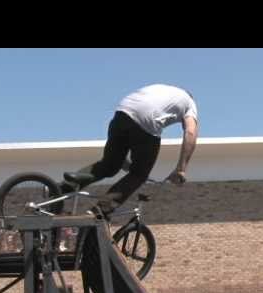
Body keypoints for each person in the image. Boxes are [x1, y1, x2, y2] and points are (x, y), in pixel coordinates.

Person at [60, 84, 199, 216]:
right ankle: (100, 211)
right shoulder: (189, 102)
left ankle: (60, 189)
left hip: (122, 113)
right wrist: (181, 169)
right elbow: (190, 133)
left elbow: (133, 125)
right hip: (146, 121)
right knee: (139, 174)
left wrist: (124, 161)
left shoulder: (163, 89)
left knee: (109, 165)